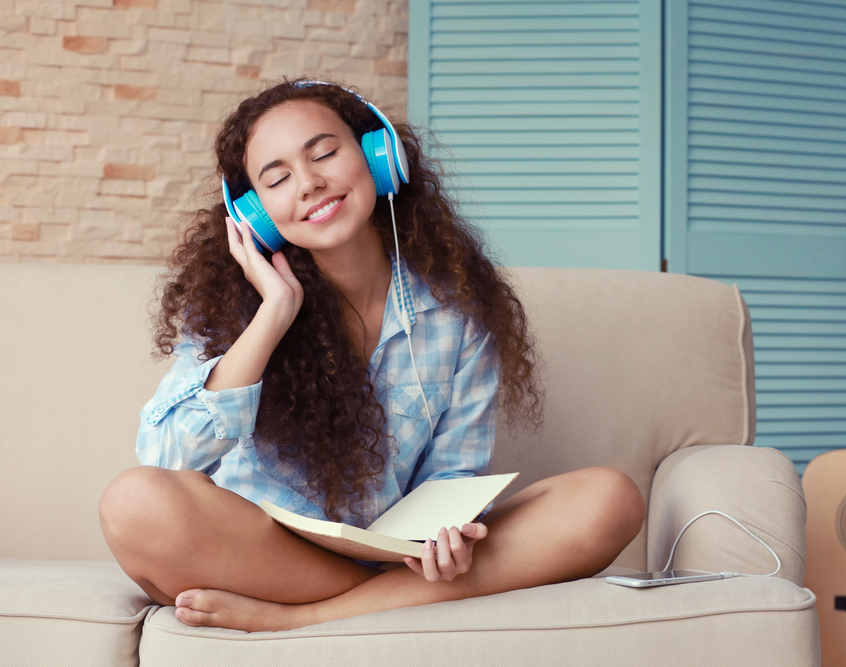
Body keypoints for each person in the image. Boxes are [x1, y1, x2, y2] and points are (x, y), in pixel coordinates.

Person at [98, 78, 645, 633]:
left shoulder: (458, 313)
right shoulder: (231, 309)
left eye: (325, 153)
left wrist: (446, 537)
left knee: (609, 498)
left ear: (378, 156)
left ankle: (304, 618)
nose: (309, 184)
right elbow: (166, 458)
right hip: (262, 553)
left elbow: (450, 477)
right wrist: (275, 313)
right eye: (278, 178)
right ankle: (394, 603)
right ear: (254, 214)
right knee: (134, 504)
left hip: (391, 554)